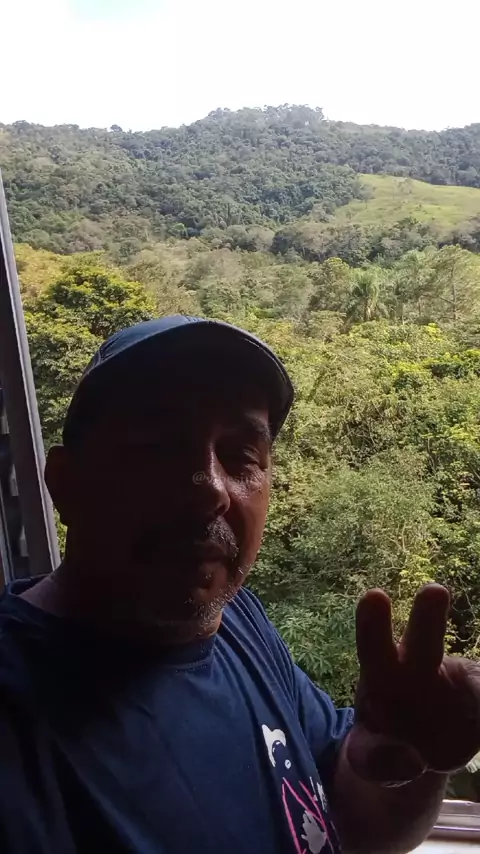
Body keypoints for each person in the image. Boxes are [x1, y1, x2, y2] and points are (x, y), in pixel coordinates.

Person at [0, 315, 479, 854]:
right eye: (156, 449)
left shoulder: (236, 623)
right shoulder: (17, 719)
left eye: (240, 456)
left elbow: (352, 822)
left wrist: (414, 759)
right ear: (66, 483)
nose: (209, 489)